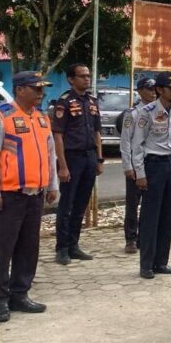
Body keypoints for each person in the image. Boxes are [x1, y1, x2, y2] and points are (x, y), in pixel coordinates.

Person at [0, 71, 59, 323]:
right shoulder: (2, 116)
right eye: (36, 88)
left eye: (42, 88)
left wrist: (52, 185)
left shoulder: (42, 118)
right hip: (10, 196)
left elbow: (50, 154)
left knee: (28, 247)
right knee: (2, 249)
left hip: (35, 195)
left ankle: (19, 294)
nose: (41, 93)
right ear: (20, 90)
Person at [130, 72, 171, 280]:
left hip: (169, 164)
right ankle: (146, 264)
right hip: (153, 165)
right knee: (150, 217)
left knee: (167, 216)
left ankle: (161, 262)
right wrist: (140, 173)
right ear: (160, 90)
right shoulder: (147, 112)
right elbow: (137, 145)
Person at [51, 63, 103, 265]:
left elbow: (97, 132)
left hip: (89, 157)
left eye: (88, 75)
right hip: (72, 158)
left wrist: (99, 159)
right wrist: (63, 166)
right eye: (82, 76)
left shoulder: (92, 101)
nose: (87, 79)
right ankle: (62, 248)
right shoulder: (64, 102)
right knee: (67, 205)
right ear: (71, 79)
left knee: (81, 204)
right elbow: (58, 136)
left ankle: (73, 245)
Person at [119, 77, 157, 254]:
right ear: (140, 91)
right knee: (133, 204)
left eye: (155, 89)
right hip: (135, 164)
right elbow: (126, 141)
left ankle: (144, 237)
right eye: (149, 89)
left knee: (150, 204)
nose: (153, 93)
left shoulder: (158, 111)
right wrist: (128, 165)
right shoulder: (133, 113)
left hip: (151, 163)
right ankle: (131, 239)